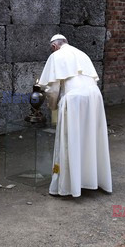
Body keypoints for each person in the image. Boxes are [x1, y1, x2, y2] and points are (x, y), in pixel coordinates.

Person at [39, 34, 112, 197]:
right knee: (91, 138)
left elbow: (52, 89)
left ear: (54, 46)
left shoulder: (56, 56)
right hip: (94, 97)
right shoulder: (82, 54)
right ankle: (93, 180)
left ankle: (68, 186)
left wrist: (52, 108)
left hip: (73, 99)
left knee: (68, 141)